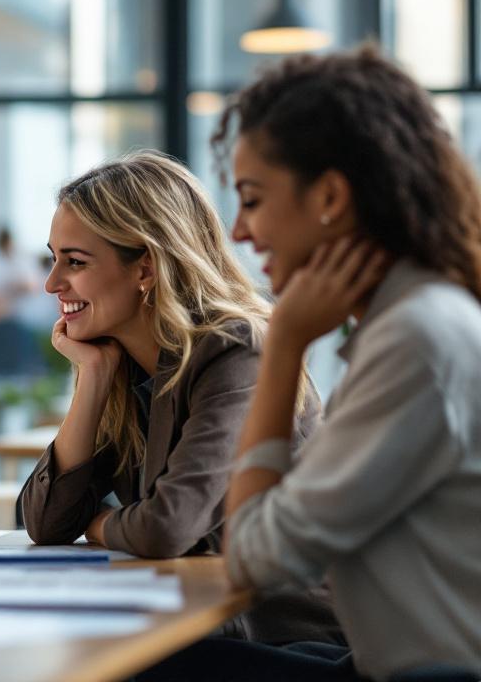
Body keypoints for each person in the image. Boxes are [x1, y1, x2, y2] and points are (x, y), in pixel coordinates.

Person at [145, 48, 481, 680]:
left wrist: (285, 347)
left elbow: (251, 556)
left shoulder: (415, 341)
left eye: (252, 199)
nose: (240, 232)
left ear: (329, 195)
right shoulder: (419, 318)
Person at [20, 150, 338, 645]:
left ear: (145, 269)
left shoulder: (237, 349)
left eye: (75, 262)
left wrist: (100, 524)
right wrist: (94, 376)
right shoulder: (122, 359)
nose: (51, 283)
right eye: (54, 257)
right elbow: (47, 522)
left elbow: (167, 527)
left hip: (281, 639)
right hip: (192, 624)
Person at [0, 226, 42, 375]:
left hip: (18, 321)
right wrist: (11, 291)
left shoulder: (20, 261)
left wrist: (5, 292)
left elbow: (31, 286)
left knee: (18, 366)